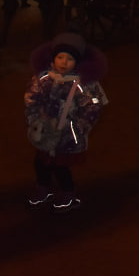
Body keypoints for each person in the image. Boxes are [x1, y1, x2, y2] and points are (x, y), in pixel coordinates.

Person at [25, 30, 109, 213]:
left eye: (69, 59)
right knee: (40, 162)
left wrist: (77, 126)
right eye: (60, 57)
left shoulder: (83, 85)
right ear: (53, 58)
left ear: (77, 62)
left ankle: (68, 193)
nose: (64, 62)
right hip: (45, 132)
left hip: (67, 135)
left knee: (61, 167)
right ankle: (43, 187)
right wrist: (34, 119)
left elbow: (93, 107)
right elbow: (31, 98)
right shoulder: (44, 79)